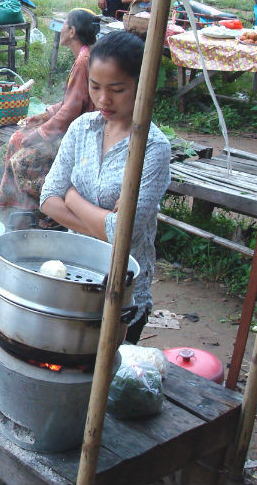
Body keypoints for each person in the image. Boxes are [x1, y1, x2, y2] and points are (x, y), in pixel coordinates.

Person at [40, 30, 171, 343]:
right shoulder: (82, 127)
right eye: (95, 87)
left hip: (123, 289)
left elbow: (122, 232)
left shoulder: (152, 148)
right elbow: (47, 199)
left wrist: (71, 196)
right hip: (74, 277)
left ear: (142, 84)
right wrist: (102, 223)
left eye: (117, 89)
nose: (103, 99)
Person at [0, 8, 99, 211]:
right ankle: (21, 207)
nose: (61, 29)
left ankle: (49, 210)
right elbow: (71, 102)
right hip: (77, 127)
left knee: (21, 159)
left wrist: (41, 133)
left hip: (83, 135)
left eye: (65, 23)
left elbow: (71, 110)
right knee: (19, 136)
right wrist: (43, 116)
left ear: (72, 31)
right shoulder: (84, 56)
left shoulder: (84, 61)